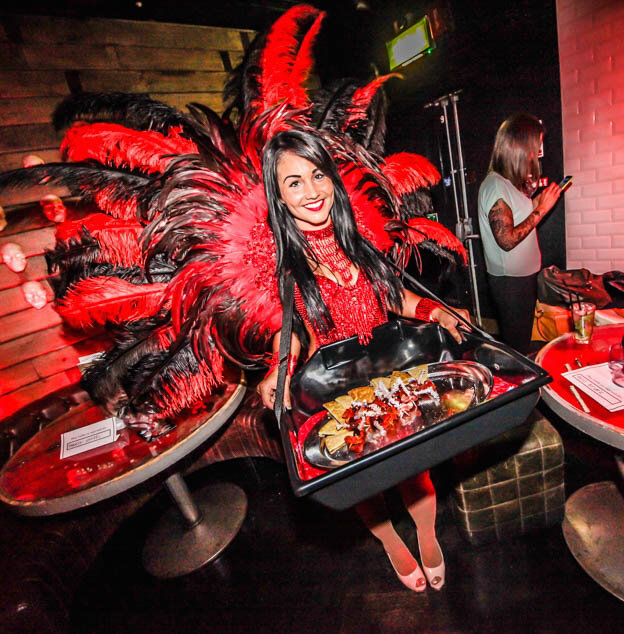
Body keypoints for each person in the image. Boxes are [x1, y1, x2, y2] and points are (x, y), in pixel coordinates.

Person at [257, 128, 470, 592]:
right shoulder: (284, 266)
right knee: (366, 485)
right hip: (341, 394)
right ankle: (394, 545)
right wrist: (280, 368)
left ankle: (428, 537)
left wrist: (437, 310)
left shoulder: (359, 239)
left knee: (417, 471)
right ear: (279, 197)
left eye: (317, 175)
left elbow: (394, 295)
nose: (312, 191)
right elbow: (289, 331)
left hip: (392, 376)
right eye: (294, 183)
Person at [478, 113, 562, 355]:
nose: (536, 151)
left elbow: (516, 218)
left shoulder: (507, 182)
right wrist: (542, 209)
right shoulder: (495, 184)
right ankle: (517, 389)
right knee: (518, 348)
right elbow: (507, 240)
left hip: (520, 279)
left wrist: (537, 202)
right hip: (510, 283)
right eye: (535, 145)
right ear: (519, 146)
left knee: (521, 341)